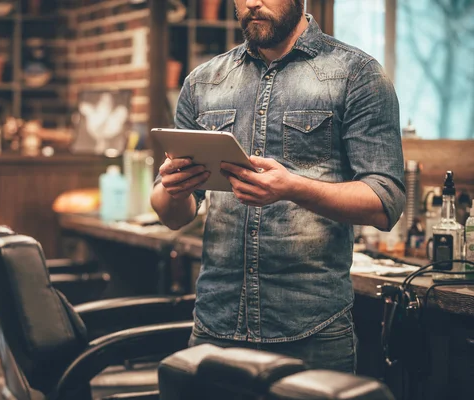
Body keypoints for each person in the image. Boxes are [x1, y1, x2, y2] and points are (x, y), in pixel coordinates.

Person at [150, 0, 405, 373]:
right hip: (214, 327)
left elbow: (386, 202)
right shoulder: (203, 82)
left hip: (311, 332)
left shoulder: (357, 74)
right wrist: (172, 188)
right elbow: (173, 216)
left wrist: (291, 188)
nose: (253, 2)